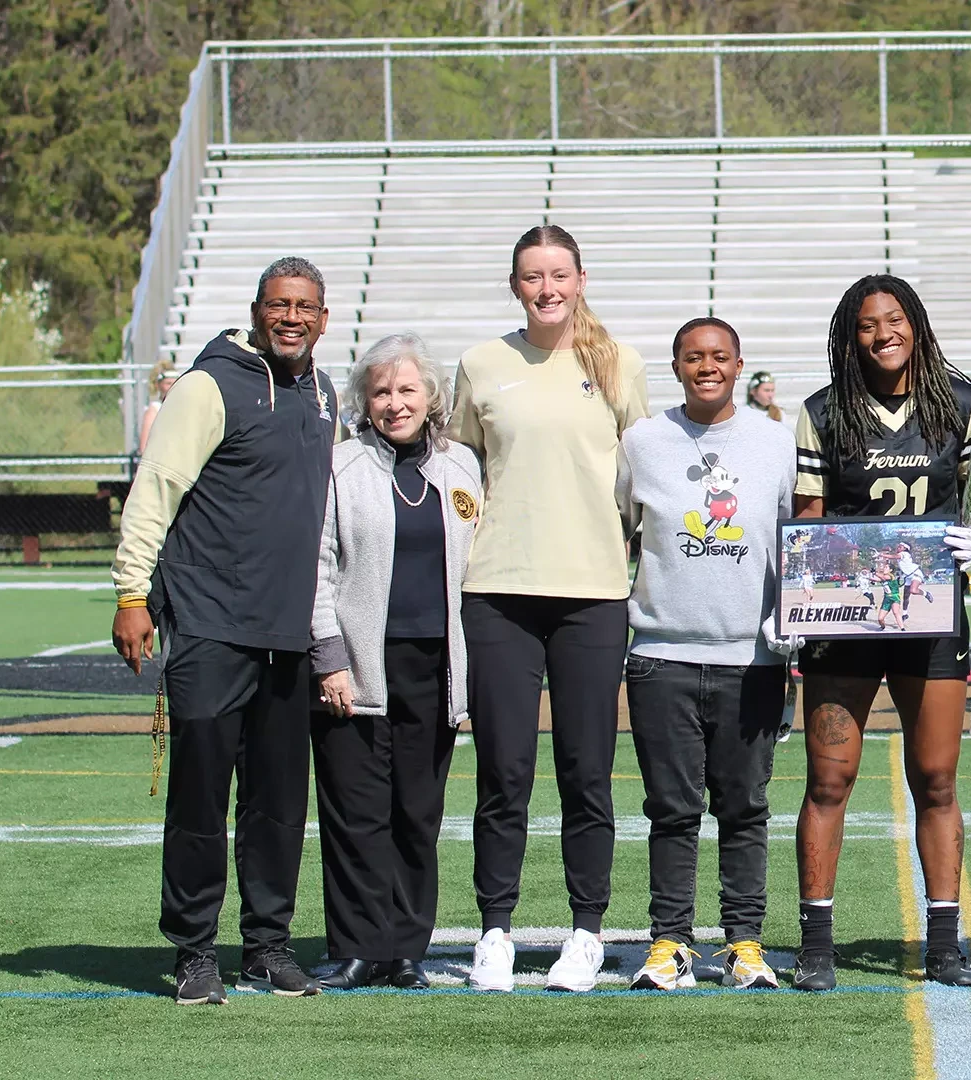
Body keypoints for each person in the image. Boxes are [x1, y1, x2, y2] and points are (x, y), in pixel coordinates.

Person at [110, 256, 338, 1005]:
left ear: (324, 317)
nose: (292, 318)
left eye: (305, 306)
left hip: (288, 635)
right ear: (257, 310)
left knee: (276, 805)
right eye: (280, 305)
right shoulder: (209, 385)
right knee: (201, 801)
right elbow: (157, 488)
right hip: (210, 626)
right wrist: (131, 594)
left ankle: (267, 947)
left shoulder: (325, 391)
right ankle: (194, 951)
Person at [450, 225, 651, 993]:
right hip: (497, 590)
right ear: (514, 285)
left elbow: (646, 476)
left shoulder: (618, 363)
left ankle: (585, 931)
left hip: (594, 594)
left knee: (585, 772)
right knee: (503, 772)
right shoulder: (479, 364)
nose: (546, 288)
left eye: (558, 274)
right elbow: (461, 473)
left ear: (579, 278)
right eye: (532, 276)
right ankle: (494, 932)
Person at [790, 274, 971, 991]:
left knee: (935, 779)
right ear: (851, 334)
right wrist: (795, 594)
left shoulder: (960, 404)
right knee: (830, 779)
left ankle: (943, 940)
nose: (883, 335)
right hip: (845, 617)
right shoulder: (823, 412)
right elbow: (810, 515)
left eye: (895, 320)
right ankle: (816, 942)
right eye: (868, 324)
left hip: (930, 612)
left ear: (918, 325)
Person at [615, 316, 797, 991]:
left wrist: (793, 622)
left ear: (740, 363)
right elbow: (619, 535)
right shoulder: (642, 441)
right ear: (677, 366)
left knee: (744, 807)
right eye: (694, 357)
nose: (707, 367)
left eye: (719, 356)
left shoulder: (776, 442)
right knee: (671, 807)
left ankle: (745, 942)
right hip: (661, 653)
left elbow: (795, 542)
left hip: (752, 658)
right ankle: (669, 942)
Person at [309, 333, 481, 991]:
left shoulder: (462, 467)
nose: (394, 402)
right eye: (380, 391)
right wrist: (329, 657)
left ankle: (406, 948)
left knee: (417, 811)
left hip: (435, 670)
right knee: (356, 815)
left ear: (431, 395)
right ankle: (355, 947)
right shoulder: (340, 467)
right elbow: (316, 569)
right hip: (355, 668)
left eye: (407, 389)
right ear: (363, 400)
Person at [137, 362, 179, 454]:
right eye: (168, 383)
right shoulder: (154, 410)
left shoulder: (180, 408)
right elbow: (144, 448)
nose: (172, 386)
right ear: (158, 385)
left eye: (175, 383)